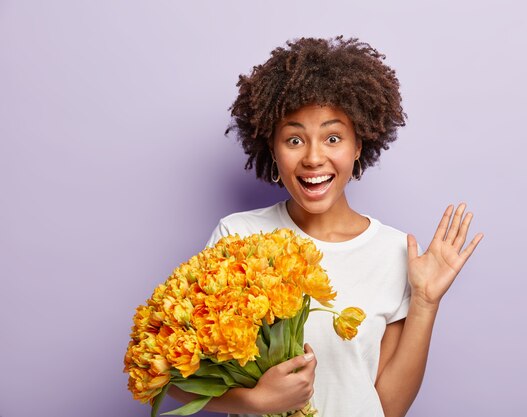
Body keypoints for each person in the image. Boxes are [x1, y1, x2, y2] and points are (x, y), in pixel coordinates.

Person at [169, 36, 483, 417]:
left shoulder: (396, 252)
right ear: (272, 149)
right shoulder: (238, 237)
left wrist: (426, 303)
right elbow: (173, 376)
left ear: (358, 147)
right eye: (294, 139)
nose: (314, 157)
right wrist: (257, 401)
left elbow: (388, 407)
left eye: (333, 138)